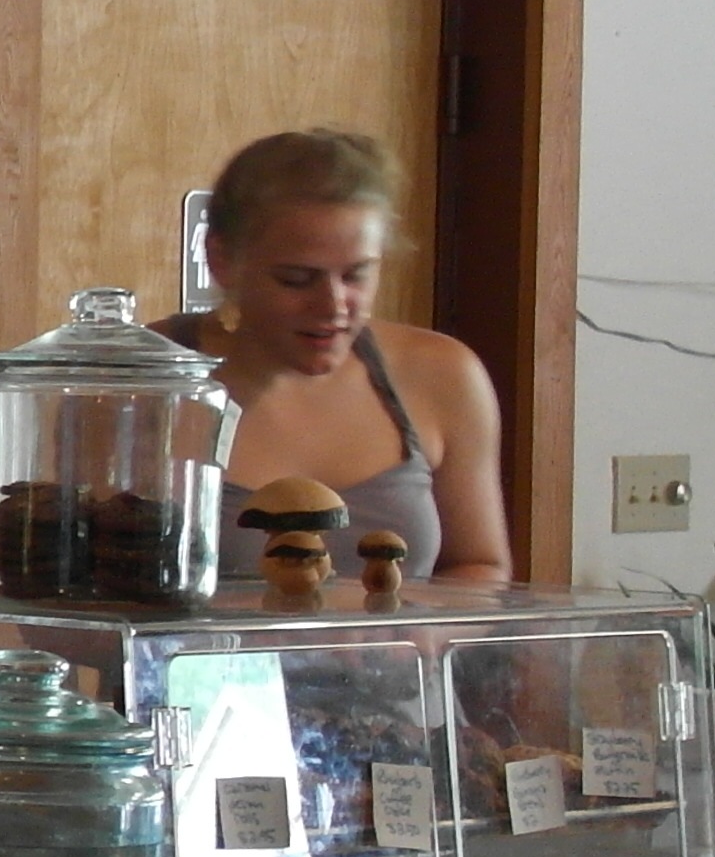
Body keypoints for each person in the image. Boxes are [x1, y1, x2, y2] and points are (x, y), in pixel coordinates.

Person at [174, 125, 511, 582]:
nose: (333, 305)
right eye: (296, 280)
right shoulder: (141, 385)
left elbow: (479, 564)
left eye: (356, 275)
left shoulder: (441, 374)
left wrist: (403, 623)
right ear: (221, 260)